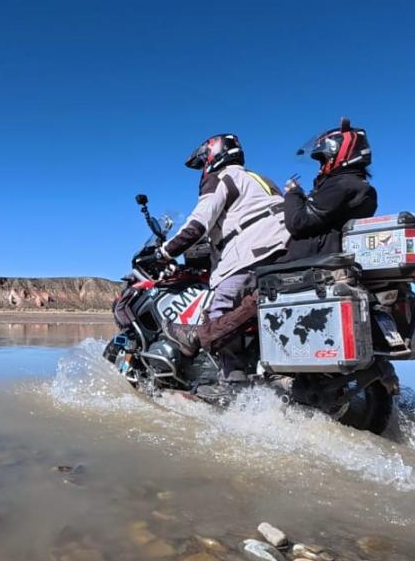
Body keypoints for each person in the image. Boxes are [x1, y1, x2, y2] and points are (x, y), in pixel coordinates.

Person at [161, 133, 288, 382]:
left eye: (203, 162)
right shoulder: (263, 180)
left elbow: (198, 225)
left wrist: (164, 253)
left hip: (249, 257)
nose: (203, 169)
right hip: (282, 256)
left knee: (218, 317)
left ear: (213, 155)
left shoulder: (222, 177)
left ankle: (233, 387)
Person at [282, 119, 377, 261]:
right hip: (329, 258)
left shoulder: (341, 185)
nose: (321, 167)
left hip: (314, 261)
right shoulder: (358, 185)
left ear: (340, 154)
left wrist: (293, 193)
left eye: (324, 160)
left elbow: (298, 222)